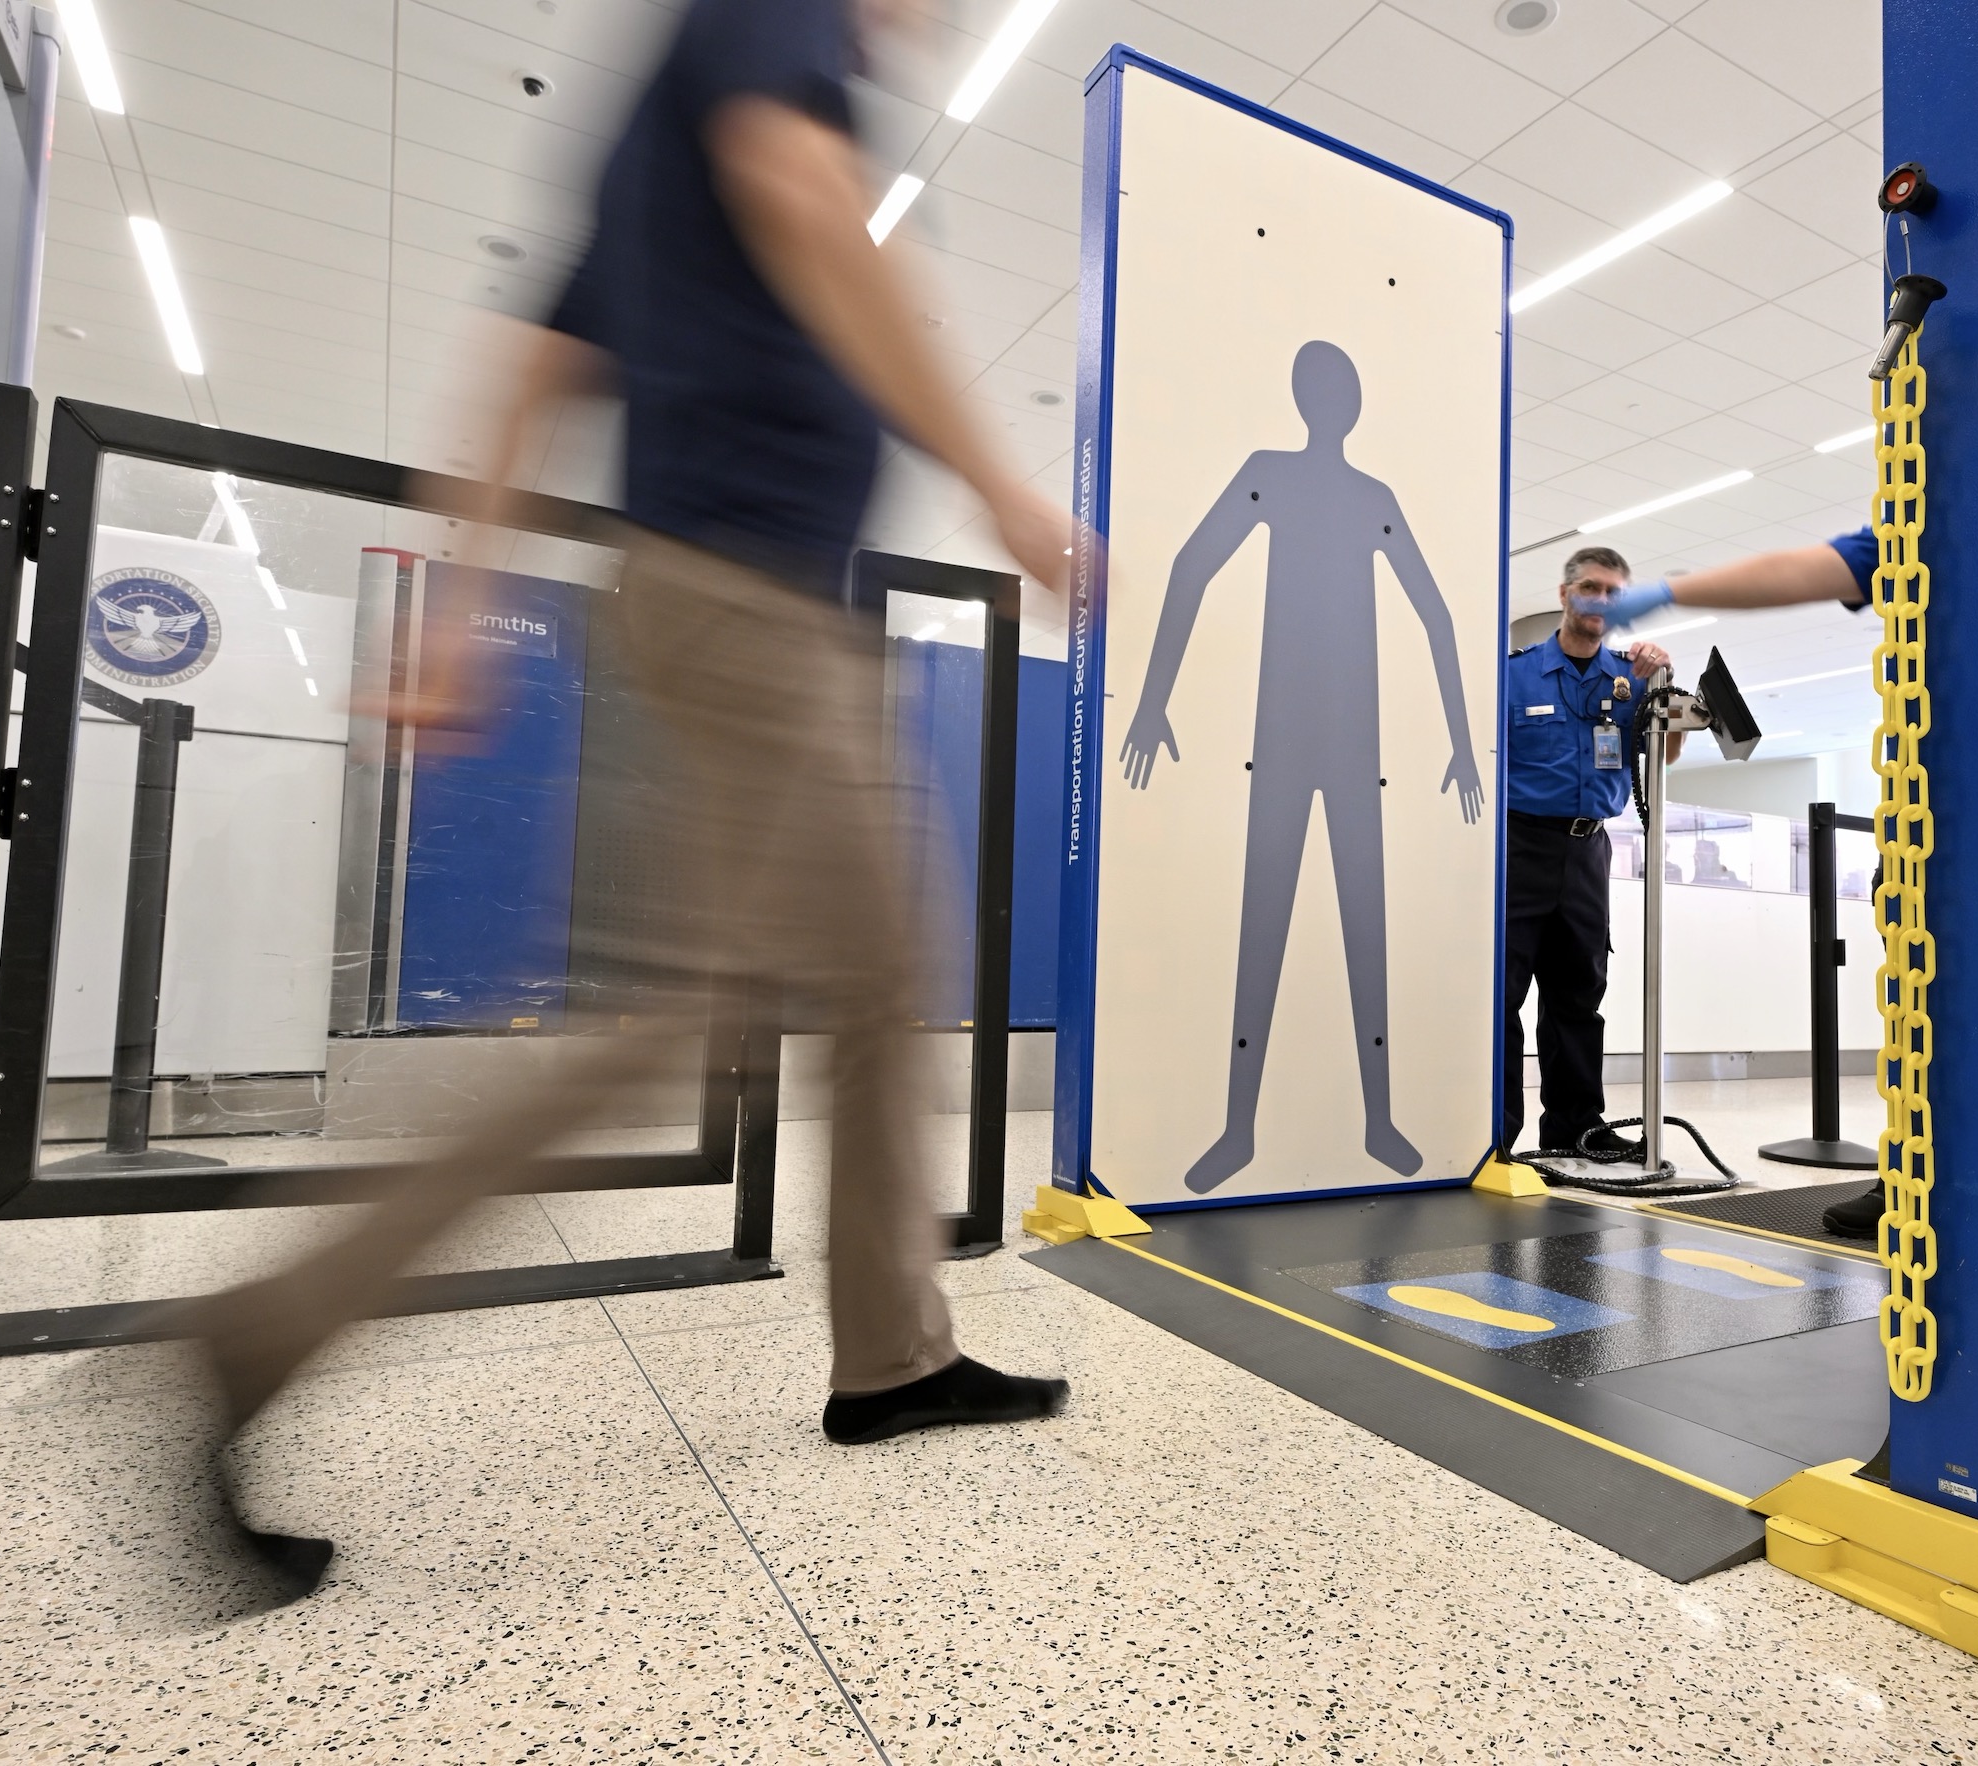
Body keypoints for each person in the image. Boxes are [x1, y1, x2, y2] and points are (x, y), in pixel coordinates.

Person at [174, 0, 1076, 1605]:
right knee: (682, 1015)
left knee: (874, 984)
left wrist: (459, 603)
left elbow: (534, 362)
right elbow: (800, 203)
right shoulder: (766, 20)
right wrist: (1002, 481)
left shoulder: (691, 70)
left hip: (743, 602)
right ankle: (261, 1328)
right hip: (751, 608)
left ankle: (891, 1356)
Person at [1116, 341, 1483, 1194]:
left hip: (1350, 742)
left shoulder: (1366, 498)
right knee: (1269, 920)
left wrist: (1464, 740)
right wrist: (1151, 699)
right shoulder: (1276, 477)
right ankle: (1241, 1128)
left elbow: (1435, 615)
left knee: (1363, 924)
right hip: (1288, 735)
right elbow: (1191, 567)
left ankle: (1377, 1120)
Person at [1590, 526, 1885, 1231]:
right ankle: (1907, 1172)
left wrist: (1668, 600)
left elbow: (1808, 567)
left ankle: (1936, 1172)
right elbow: (1817, 565)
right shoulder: (1924, 514)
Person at [1502, 546, 1672, 1159]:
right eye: (1592, 588)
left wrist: (1662, 689)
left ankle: (1577, 1129)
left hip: (1587, 850)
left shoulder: (1629, 680)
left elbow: (1665, 759)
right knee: (1503, 997)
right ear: (1565, 593)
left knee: (1578, 995)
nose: (1601, 601)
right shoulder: (1513, 674)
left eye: (1614, 594)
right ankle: (1494, 1135)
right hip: (1517, 848)